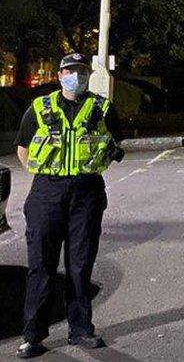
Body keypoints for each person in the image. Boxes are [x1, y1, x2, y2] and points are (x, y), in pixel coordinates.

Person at [14, 53, 124, 359]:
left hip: (86, 192)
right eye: (70, 71)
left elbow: (113, 144)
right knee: (41, 264)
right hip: (47, 191)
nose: (76, 75)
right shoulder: (40, 108)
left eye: (81, 71)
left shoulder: (102, 108)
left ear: (87, 74)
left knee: (80, 264)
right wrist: (51, 177)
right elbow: (23, 151)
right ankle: (33, 335)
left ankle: (81, 330)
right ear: (60, 74)